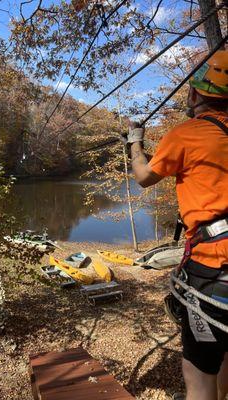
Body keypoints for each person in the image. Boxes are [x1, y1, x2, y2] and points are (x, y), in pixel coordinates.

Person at [122, 49, 228, 400]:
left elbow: (144, 176)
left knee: (198, 371)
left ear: (196, 94)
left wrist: (135, 143)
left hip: (213, 270)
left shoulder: (188, 134)